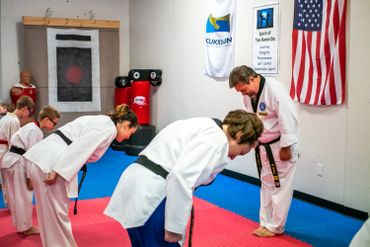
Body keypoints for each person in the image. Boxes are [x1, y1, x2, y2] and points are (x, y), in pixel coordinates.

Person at [104, 109, 264, 247]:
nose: (235, 157)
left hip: (136, 182)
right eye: (242, 152)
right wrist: (174, 227)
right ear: (241, 134)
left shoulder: (202, 124)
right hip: (155, 192)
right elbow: (180, 177)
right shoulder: (216, 141)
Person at [24, 104, 138, 247]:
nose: (128, 137)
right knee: (56, 213)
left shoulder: (101, 121)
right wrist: (58, 170)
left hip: (44, 156)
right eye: (130, 133)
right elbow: (81, 147)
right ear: (126, 124)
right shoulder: (107, 129)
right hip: (53, 162)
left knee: (49, 213)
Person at [229, 65, 299, 237]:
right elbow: (254, 120)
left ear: (252, 78)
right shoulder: (250, 95)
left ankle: (276, 226)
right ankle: (265, 222)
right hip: (263, 146)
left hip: (281, 146)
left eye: (244, 90)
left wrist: (286, 147)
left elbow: (289, 119)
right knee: (266, 184)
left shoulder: (275, 91)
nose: (243, 94)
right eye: (240, 92)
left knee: (280, 186)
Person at [2, 105, 60, 236]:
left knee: (16, 196)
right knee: (24, 196)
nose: (55, 126)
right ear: (46, 120)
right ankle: (25, 228)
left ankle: (20, 225)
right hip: (18, 163)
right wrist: (30, 178)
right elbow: (31, 156)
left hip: (9, 161)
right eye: (54, 122)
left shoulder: (29, 126)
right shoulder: (36, 131)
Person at [0, 96, 35, 208]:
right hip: (5, 152)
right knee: (11, 182)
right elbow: (14, 143)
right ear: (25, 108)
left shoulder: (5, 118)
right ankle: (14, 207)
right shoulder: (14, 121)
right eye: (29, 111)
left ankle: (10, 205)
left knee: (6, 182)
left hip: (2, 150)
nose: (28, 115)